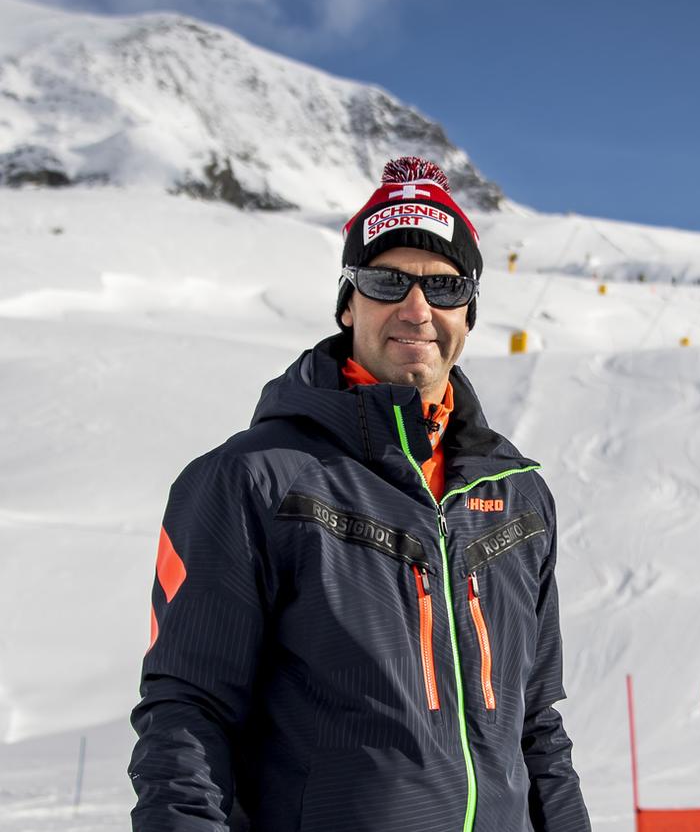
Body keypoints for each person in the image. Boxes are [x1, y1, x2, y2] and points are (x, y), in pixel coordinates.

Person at [130, 157, 592, 832]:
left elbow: (538, 726)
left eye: (443, 286)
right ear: (349, 302)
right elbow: (188, 715)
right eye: (387, 281)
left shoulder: (518, 497)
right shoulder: (253, 480)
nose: (416, 308)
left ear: (469, 309)